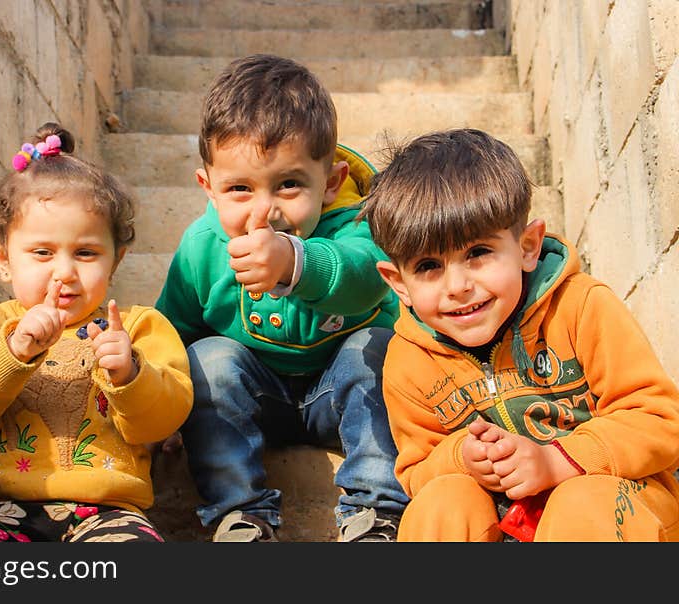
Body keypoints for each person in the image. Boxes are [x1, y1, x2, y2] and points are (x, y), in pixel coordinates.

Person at [359, 127, 679, 541]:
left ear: (528, 247)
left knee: (582, 503)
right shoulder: (409, 358)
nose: (457, 286)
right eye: (428, 266)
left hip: (613, 504)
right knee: (442, 501)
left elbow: (658, 420)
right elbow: (417, 469)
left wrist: (557, 461)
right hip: (497, 516)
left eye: (477, 253)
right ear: (398, 282)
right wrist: (463, 459)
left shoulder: (580, 307)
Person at [154, 54, 409, 542]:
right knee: (207, 359)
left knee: (375, 349)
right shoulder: (201, 247)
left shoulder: (358, 225)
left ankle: (376, 509)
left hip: (341, 396)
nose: (264, 211)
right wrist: (161, 404)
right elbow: (173, 328)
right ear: (208, 188)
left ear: (331, 182)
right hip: (255, 397)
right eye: (239, 189)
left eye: (289, 184)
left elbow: (364, 279)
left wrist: (296, 262)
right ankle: (240, 513)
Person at [0, 122, 193, 543]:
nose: (65, 272)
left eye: (86, 253)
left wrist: (130, 373)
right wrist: (13, 350)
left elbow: (166, 416)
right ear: (3, 258)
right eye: (42, 253)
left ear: (116, 260)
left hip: (108, 512)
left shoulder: (140, 328)